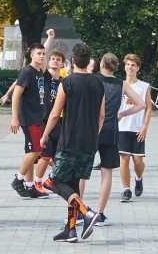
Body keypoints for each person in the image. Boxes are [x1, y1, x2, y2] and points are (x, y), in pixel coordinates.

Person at [40, 43, 104, 243]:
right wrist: (94, 135)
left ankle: (87, 212)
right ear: (89, 61)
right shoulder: (98, 83)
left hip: (69, 140)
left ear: (73, 61)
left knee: (54, 182)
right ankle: (70, 230)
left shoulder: (67, 83)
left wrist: (45, 135)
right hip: (89, 142)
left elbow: (54, 114)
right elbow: (102, 115)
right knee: (74, 185)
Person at [86, 53, 144, 226]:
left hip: (91, 130)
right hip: (111, 131)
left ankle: (79, 212)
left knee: (82, 172)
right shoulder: (121, 84)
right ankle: (100, 214)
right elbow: (141, 104)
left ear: (102, 65)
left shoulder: (92, 80)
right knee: (107, 173)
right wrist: (122, 114)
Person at [10, 30, 55, 199]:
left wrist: (50, 38)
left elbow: (44, 51)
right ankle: (18, 180)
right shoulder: (27, 72)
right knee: (36, 150)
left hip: (37, 116)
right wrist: (15, 118)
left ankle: (29, 186)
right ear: (31, 55)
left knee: (31, 151)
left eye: (43, 54)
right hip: (29, 117)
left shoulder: (39, 72)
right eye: (38, 54)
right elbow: (16, 95)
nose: (42, 56)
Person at [118, 53, 152, 203]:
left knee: (138, 161)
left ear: (138, 68)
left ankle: (139, 178)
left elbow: (148, 108)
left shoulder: (144, 86)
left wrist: (145, 126)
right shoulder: (120, 85)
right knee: (124, 159)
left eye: (133, 65)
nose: (130, 67)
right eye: (127, 64)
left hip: (138, 128)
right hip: (122, 127)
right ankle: (126, 190)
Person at [34, 49, 66, 196]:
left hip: (58, 122)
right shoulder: (45, 76)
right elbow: (42, 56)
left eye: (58, 59)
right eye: (52, 58)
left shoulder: (64, 82)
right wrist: (50, 38)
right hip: (44, 120)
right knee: (45, 156)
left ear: (62, 64)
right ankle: (37, 183)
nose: (55, 61)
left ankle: (51, 180)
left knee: (58, 156)